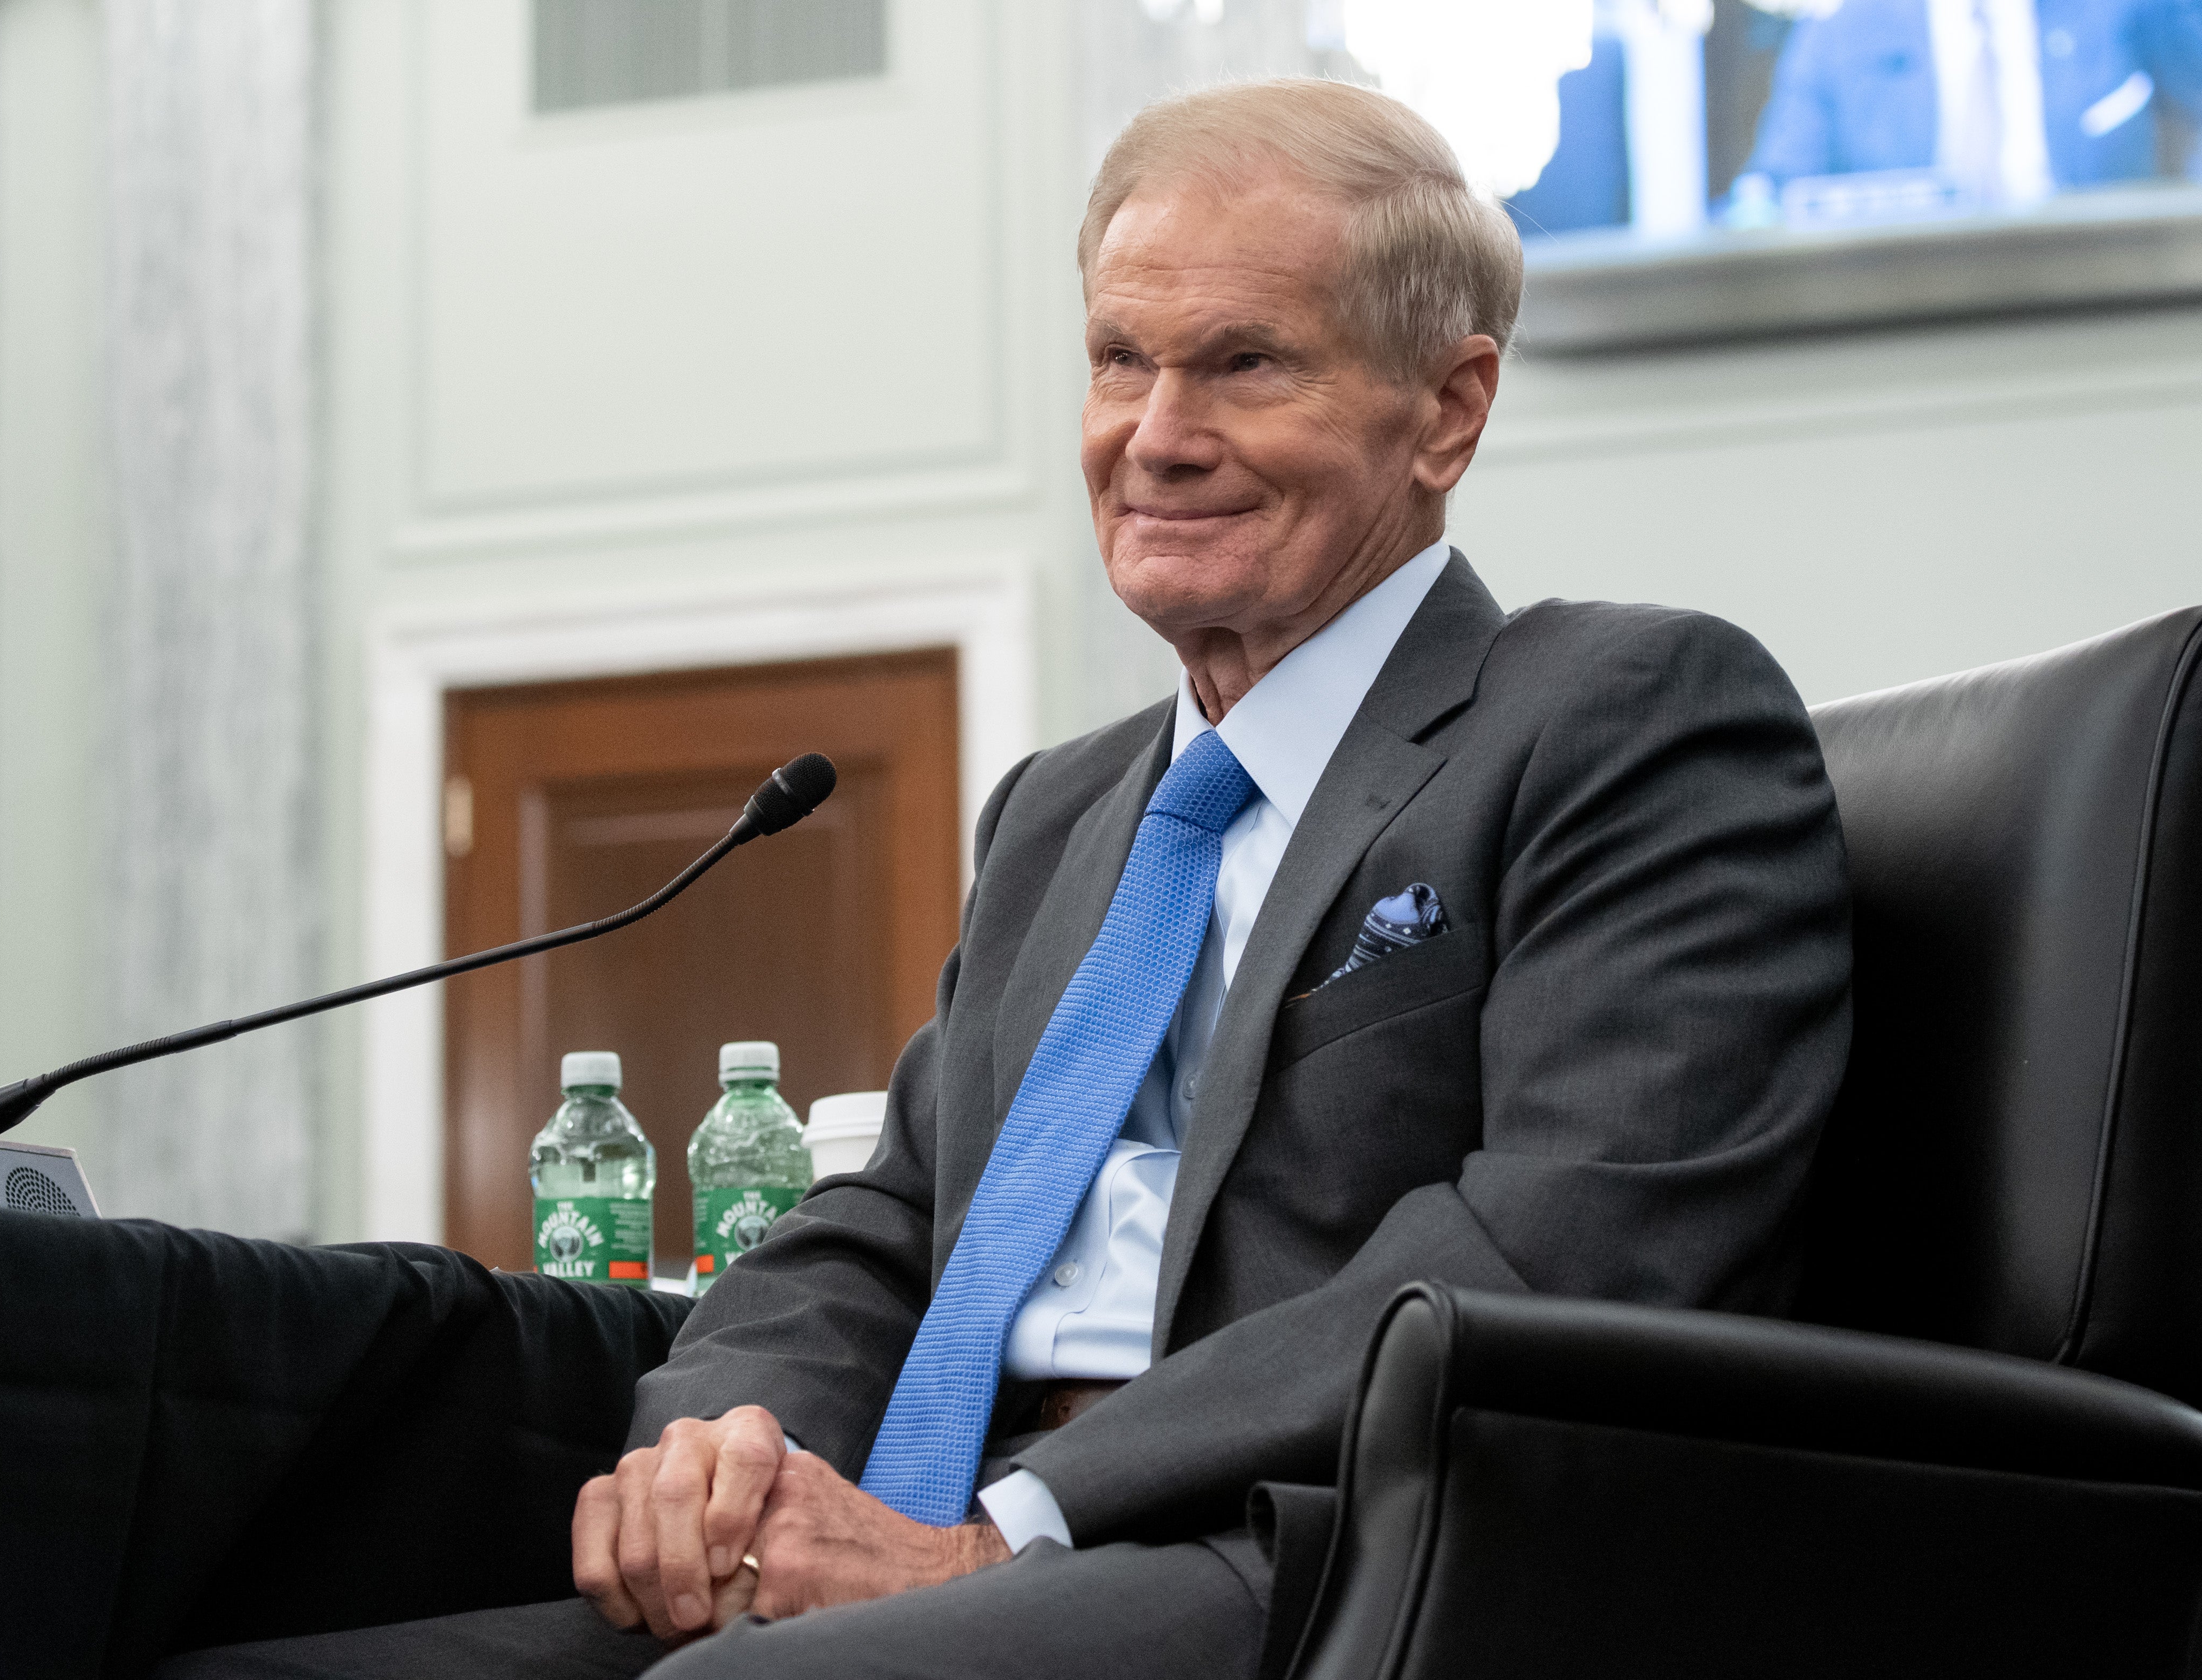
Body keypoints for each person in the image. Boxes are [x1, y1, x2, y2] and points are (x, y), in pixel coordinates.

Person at [165, 76, 1852, 1680]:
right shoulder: (1064, 813)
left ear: (1451, 409)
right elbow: (889, 1223)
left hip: (1303, 1550)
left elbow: (1554, 1259)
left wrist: (1005, 1534)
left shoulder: (1622, 716)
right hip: (932, 1548)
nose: (1157, 436)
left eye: (1247, 364)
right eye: (1122, 360)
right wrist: (721, 1449)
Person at [1727, 0, 2202, 220]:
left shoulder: (2121, 6)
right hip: (1906, 332)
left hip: (2103, 313)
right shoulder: (1839, 34)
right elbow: (1773, 193)